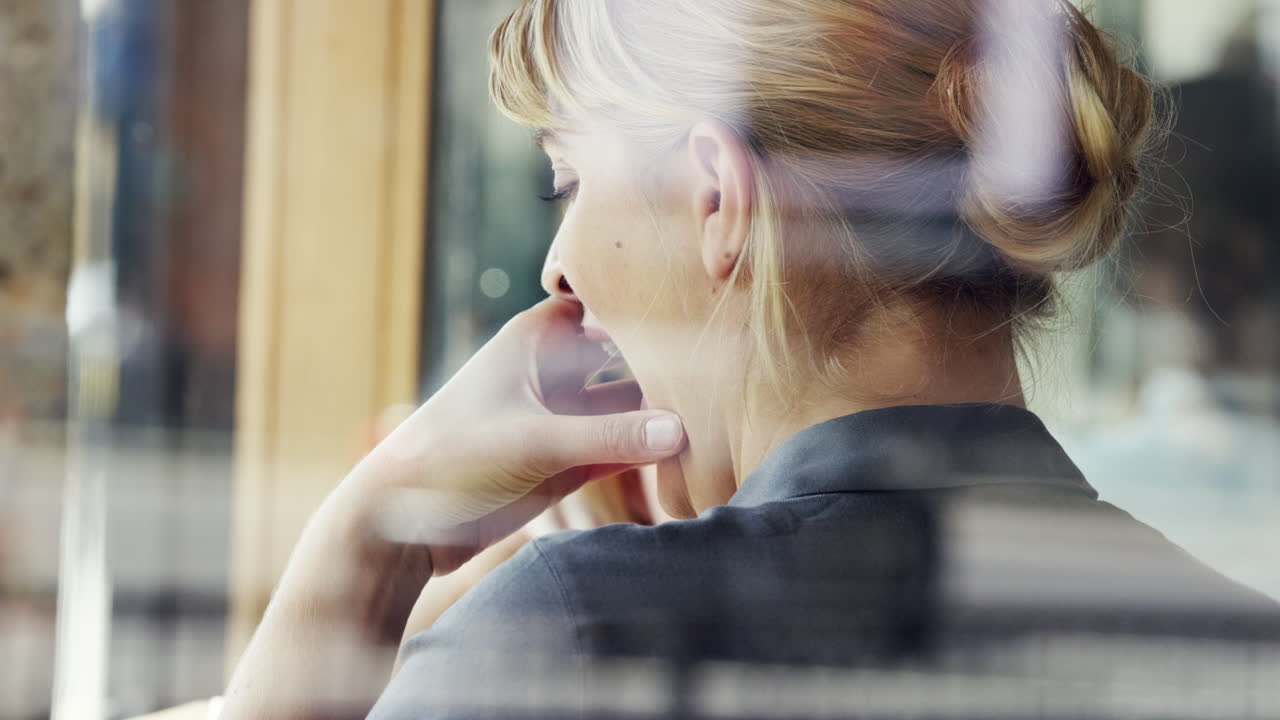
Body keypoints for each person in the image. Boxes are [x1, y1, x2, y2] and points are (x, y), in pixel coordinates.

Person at [221, 1, 1280, 718]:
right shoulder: (1239, 653)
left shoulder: (580, 635)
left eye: (567, 181)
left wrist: (375, 533)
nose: (557, 267)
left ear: (714, 200)